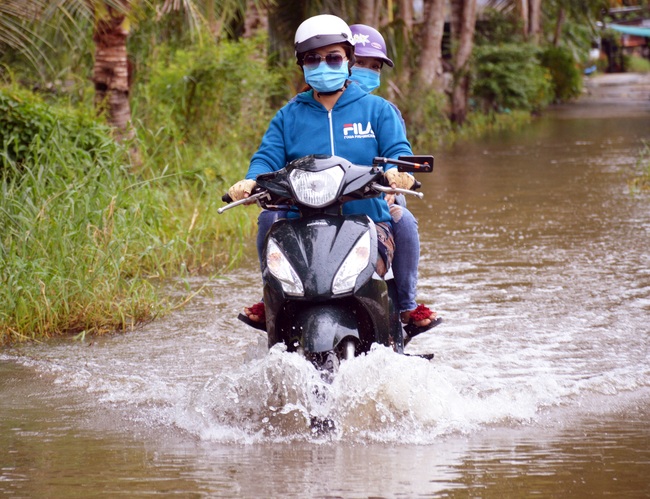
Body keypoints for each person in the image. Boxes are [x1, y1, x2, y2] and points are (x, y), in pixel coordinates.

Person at [228, 14, 438, 337]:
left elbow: (397, 148)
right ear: (302, 65)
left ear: (348, 60)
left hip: (369, 224)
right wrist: (251, 179)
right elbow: (267, 156)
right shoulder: (287, 117)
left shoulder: (378, 111)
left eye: (333, 57)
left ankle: (403, 308)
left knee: (405, 223)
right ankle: (270, 301)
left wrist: (397, 172)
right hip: (303, 226)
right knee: (267, 221)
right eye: (313, 58)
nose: (323, 64)